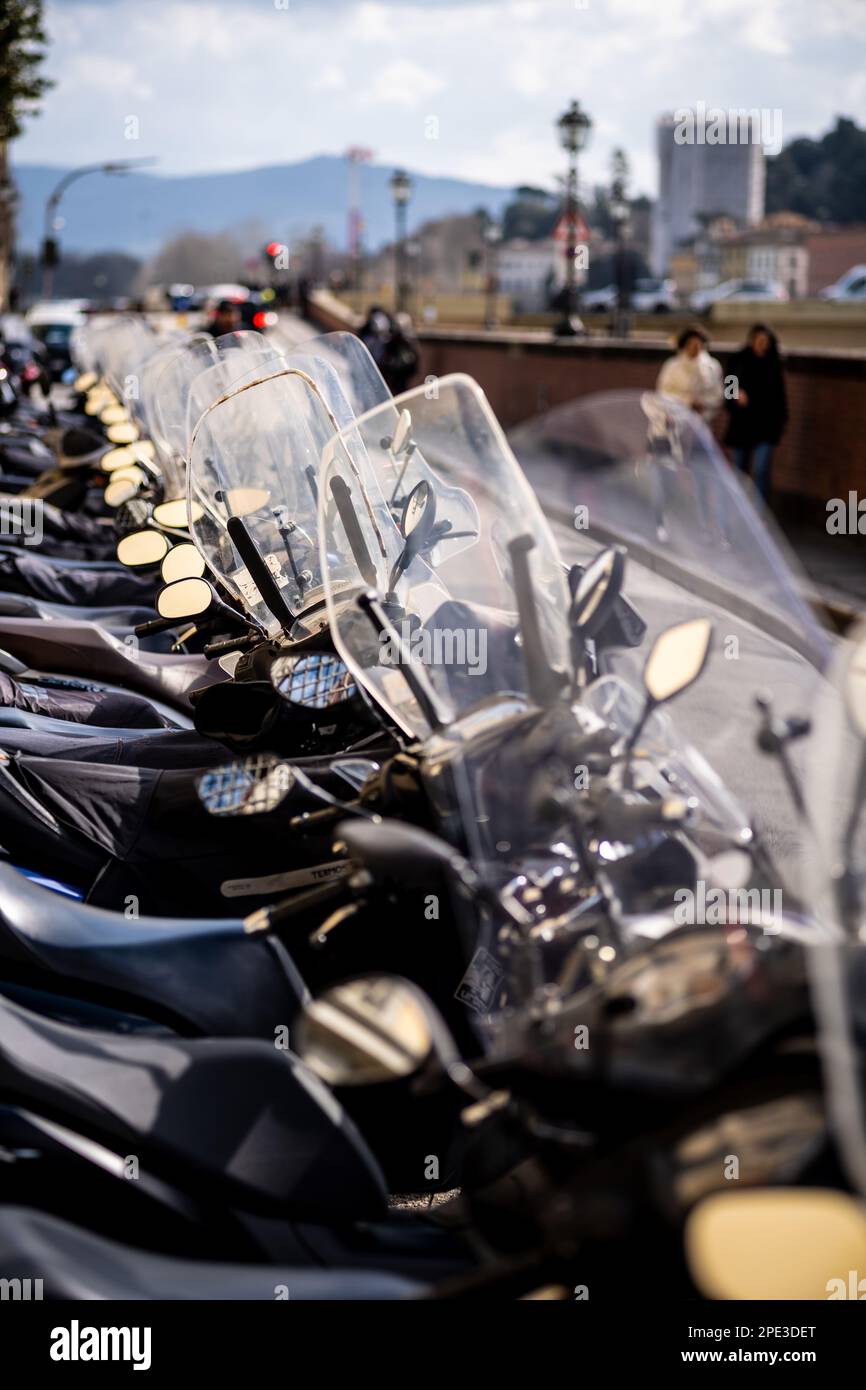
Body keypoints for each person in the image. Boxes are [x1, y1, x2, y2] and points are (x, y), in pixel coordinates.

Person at [723, 323, 787, 502]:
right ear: (751, 340)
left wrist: (781, 423)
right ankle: (739, 510)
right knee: (739, 471)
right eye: (759, 340)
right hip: (742, 424)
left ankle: (760, 514)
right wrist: (736, 395)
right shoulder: (738, 360)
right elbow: (729, 389)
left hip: (766, 426)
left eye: (765, 341)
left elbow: (780, 397)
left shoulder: (773, 363)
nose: (762, 344)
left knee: (761, 470)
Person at [656, 325, 723, 421]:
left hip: (703, 417)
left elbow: (717, 394)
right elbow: (664, 391)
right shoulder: (672, 365)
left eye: (699, 344)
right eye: (691, 343)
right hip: (677, 416)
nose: (695, 347)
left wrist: (703, 404)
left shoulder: (712, 366)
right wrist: (686, 402)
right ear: (684, 345)